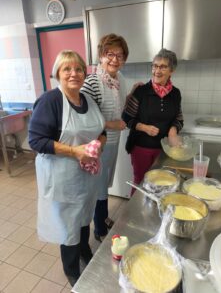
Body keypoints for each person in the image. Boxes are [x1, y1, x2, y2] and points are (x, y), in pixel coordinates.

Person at [28, 50, 106, 286]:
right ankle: (71, 269)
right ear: (58, 74)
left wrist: (98, 145)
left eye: (79, 68)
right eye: (67, 69)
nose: (74, 73)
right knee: (68, 223)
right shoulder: (50, 100)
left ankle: (84, 251)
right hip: (62, 176)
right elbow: (36, 141)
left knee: (83, 215)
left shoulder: (88, 100)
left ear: (84, 73)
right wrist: (75, 151)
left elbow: (101, 131)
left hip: (85, 175)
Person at [80, 33, 129, 242]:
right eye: (110, 54)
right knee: (98, 186)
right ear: (101, 55)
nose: (115, 59)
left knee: (105, 182)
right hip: (97, 145)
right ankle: (99, 229)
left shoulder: (120, 80)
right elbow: (82, 116)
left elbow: (118, 106)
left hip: (113, 142)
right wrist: (110, 124)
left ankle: (104, 217)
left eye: (120, 55)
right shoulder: (92, 81)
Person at [122, 48, 183, 195]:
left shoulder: (175, 94)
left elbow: (178, 118)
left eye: (163, 67)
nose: (157, 70)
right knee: (141, 182)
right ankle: (135, 215)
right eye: (155, 66)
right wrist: (143, 127)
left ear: (172, 70)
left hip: (164, 150)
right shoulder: (141, 91)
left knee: (163, 185)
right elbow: (126, 118)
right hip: (141, 148)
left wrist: (173, 130)